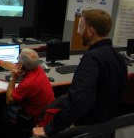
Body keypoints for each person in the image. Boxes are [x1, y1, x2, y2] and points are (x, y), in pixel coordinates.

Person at [33, 9, 128, 137]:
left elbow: (79, 101)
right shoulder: (118, 56)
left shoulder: (92, 58)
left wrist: (49, 128)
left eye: (80, 27)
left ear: (90, 31)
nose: (78, 32)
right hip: (107, 127)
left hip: (88, 129)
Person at [0, 48, 54, 123]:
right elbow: (13, 66)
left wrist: (13, 77)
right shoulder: (37, 68)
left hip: (34, 119)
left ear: (21, 65)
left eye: (18, 59)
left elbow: (9, 100)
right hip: (47, 114)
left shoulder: (28, 83)